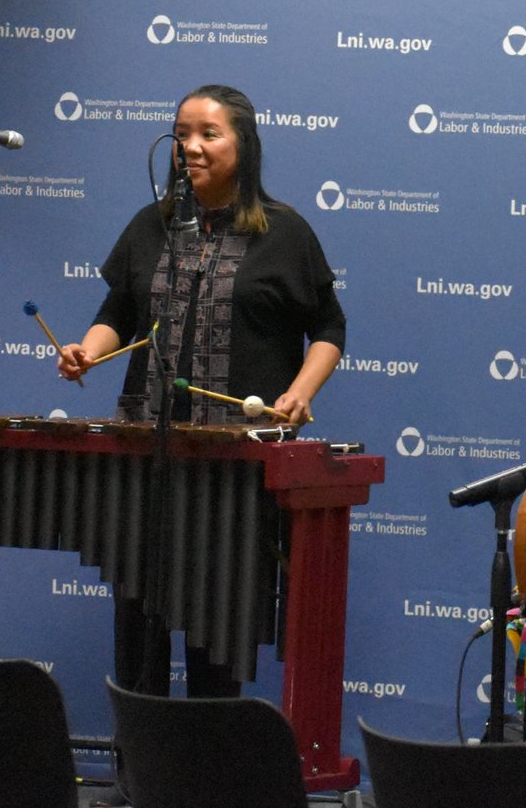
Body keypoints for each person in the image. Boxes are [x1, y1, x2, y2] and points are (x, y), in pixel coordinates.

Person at [55, 83, 346, 696]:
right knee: (138, 619)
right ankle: (141, 779)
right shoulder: (151, 227)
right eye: (182, 133)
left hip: (233, 466)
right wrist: (89, 349)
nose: (191, 146)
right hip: (145, 452)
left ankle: (209, 783)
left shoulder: (286, 233)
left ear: (245, 146)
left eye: (208, 134)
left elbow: (328, 326)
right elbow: (118, 310)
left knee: (216, 628)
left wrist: (299, 391)